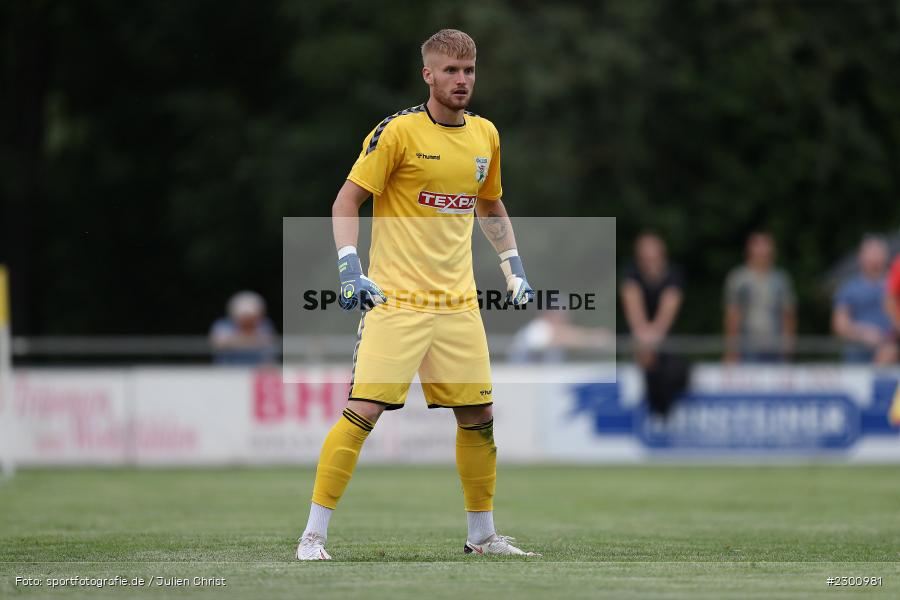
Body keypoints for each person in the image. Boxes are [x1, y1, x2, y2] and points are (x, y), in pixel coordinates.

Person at [297, 29, 539, 560]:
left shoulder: (486, 136)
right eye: (450, 71)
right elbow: (346, 201)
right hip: (397, 302)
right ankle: (312, 535)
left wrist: (513, 269)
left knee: (479, 416)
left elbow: (491, 207)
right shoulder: (398, 132)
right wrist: (348, 268)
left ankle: (483, 536)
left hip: (458, 304)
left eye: (469, 70)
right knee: (363, 411)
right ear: (427, 74)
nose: (462, 80)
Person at [620, 233, 688, 416]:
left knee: (671, 369)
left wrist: (652, 340)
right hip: (640, 340)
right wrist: (644, 340)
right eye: (645, 258)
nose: (649, 262)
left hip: (663, 341)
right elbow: (635, 312)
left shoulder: (673, 274)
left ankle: (661, 411)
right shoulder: (631, 273)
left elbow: (666, 314)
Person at [723, 232, 796, 363]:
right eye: (758, 247)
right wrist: (732, 350)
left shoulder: (780, 280)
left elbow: (788, 315)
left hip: (775, 347)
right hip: (747, 347)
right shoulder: (739, 279)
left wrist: (788, 347)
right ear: (749, 250)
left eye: (766, 247)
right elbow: (733, 315)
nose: (762, 252)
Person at [832, 236, 896, 364]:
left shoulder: (894, 287)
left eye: (878, 252)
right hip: (857, 363)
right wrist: (864, 334)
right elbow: (840, 325)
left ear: (886, 256)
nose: (874, 257)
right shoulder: (849, 288)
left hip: (892, 362)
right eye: (871, 253)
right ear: (861, 256)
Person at [209, 291, 277, 365]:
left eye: (250, 316)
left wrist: (237, 340)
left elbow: (269, 345)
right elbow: (218, 344)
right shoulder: (222, 325)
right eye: (244, 316)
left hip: (257, 371)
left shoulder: (265, 325)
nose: (247, 320)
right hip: (228, 371)